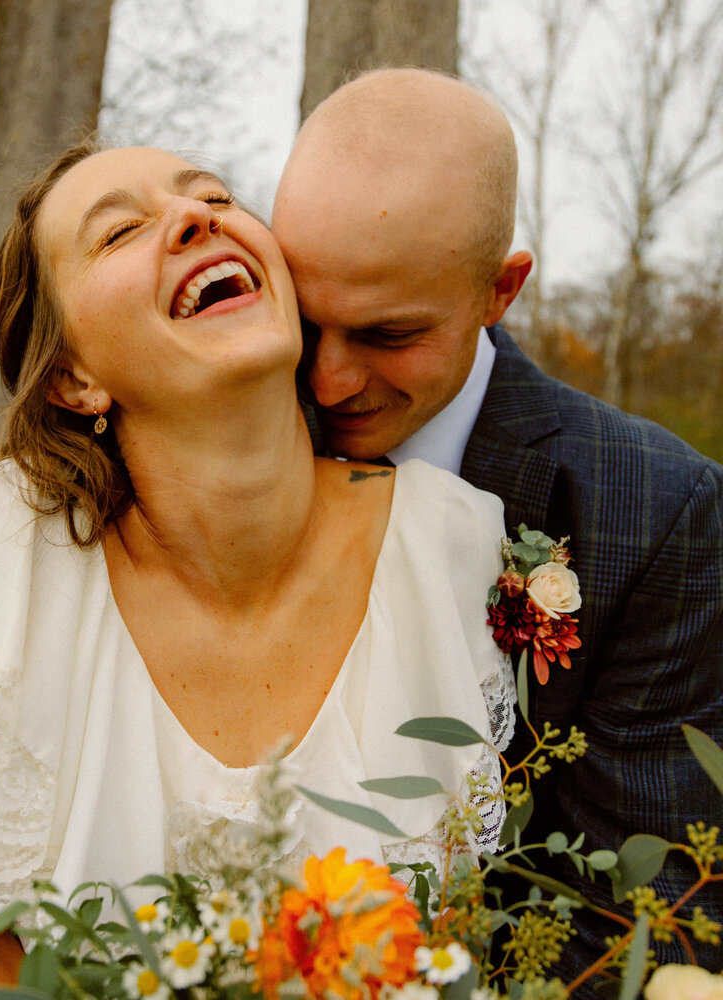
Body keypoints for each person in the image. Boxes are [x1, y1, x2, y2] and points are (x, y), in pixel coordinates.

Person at [0, 141, 515, 980]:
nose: (196, 216)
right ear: (72, 378)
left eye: (217, 196)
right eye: (121, 231)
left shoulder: (462, 551)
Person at [271, 68, 723, 988]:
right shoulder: (217, 437)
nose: (325, 382)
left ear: (500, 289)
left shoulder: (656, 513)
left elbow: (641, 913)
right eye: (306, 318)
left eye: (388, 335)